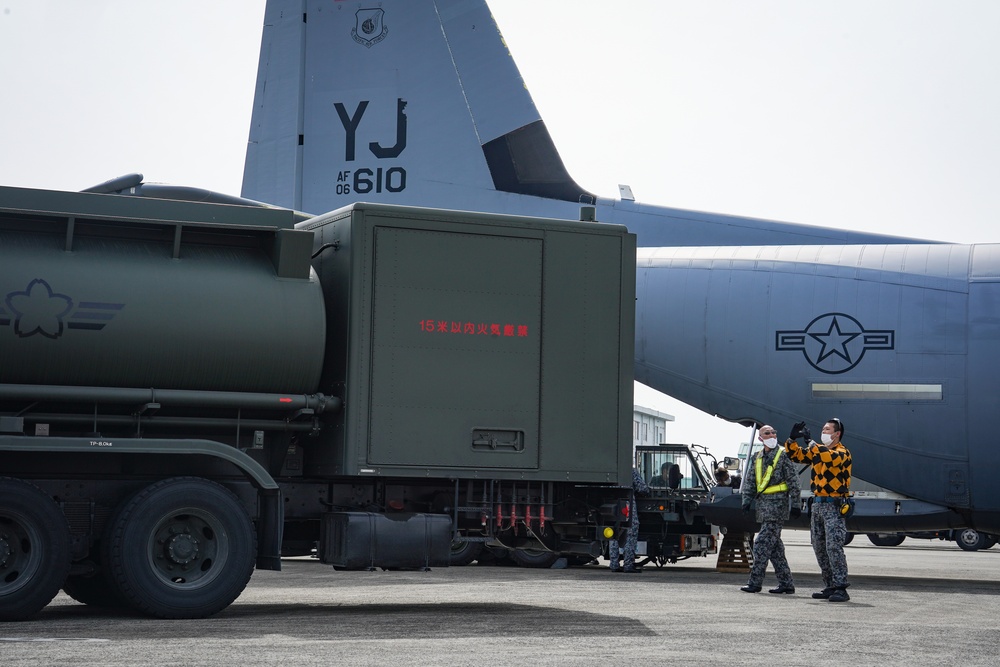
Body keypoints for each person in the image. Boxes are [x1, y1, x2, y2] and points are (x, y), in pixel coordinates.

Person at [785, 418, 853, 602]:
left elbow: (826, 457)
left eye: (827, 429)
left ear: (837, 434)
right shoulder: (818, 451)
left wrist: (810, 442)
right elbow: (796, 456)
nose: (823, 432)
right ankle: (829, 585)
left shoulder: (842, 453)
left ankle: (841, 587)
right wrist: (792, 440)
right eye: (822, 428)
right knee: (819, 546)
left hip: (833, 505)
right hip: (818, 505)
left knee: (833, 546)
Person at [740, 425, 800, 594]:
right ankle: (786, 584)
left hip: (777, 508)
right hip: (763, 508)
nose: (772, 435)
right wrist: (746, 501)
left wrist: (796, 504)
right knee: (775, 550)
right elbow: (751, 481)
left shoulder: (783, 456)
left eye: (774, 432)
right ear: (761, 438)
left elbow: (793, 481)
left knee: (760, 544)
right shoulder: (756, 457)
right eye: (767, 433)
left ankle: (755, 582)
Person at [609, 468, 649, 573]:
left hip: (611, 504)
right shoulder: (630, 470)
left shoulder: (610, 470)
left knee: (613, 533)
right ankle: (628, 564)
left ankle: (614, 564)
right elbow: (642, 488)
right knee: (631, 532)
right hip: (627, 504)